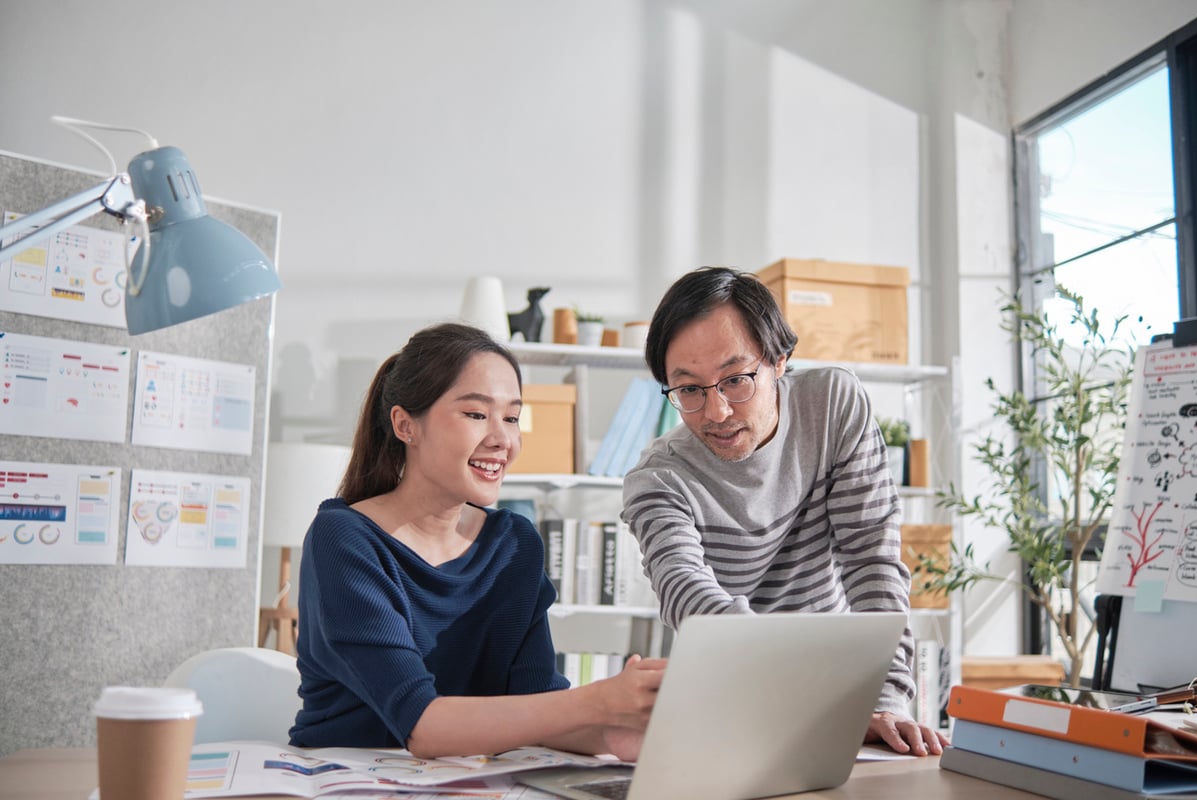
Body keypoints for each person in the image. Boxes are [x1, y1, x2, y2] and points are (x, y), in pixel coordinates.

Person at [289, 322, 665, 759]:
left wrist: (610, 736)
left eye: (511, 417)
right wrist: (598, 701)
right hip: (343, 780)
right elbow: (422, 726)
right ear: (405, 425)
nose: (502, 439)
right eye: (475, 414)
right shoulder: (345, 540)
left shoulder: (513, 544)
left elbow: (537, 700)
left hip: (459, 782)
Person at [621, 267, 950, 756]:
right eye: (689, 390)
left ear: (779, 359)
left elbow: (871, 560)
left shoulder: (833, 405)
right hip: (729, 699)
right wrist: (795, 691)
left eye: (735, 380)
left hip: (846, 691)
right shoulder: (658, 477)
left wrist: (886, 700)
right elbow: (685, 591)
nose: (717, 412)